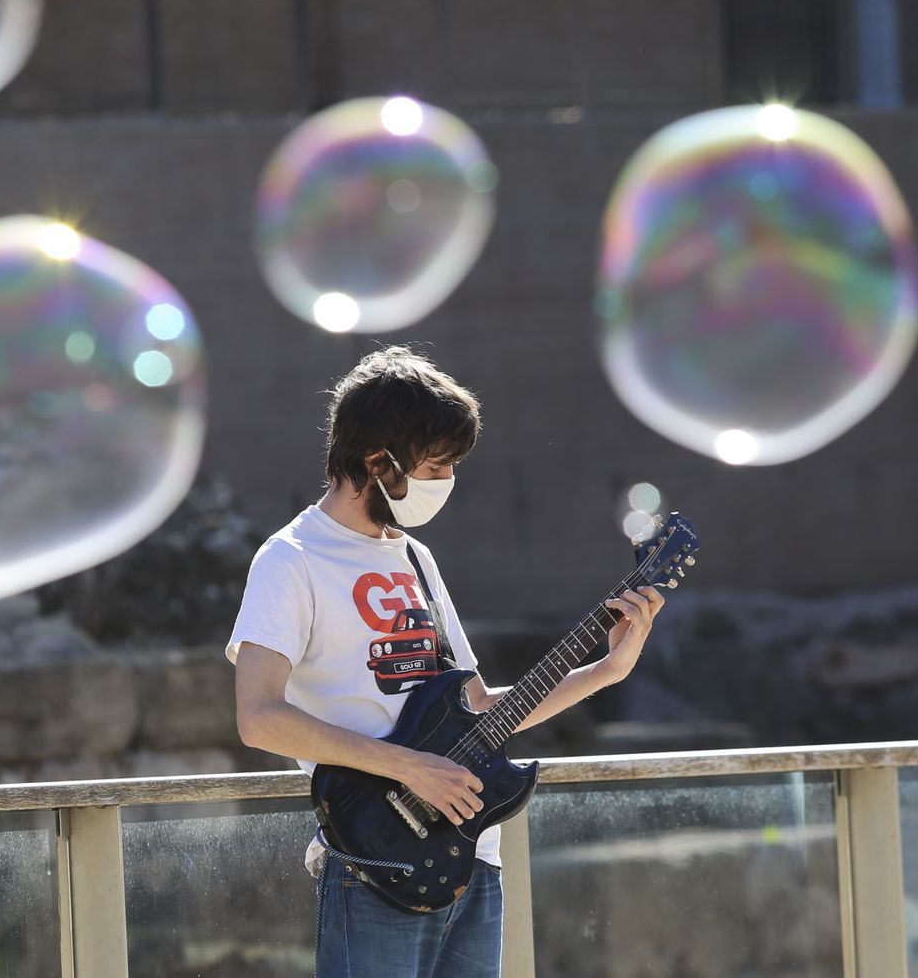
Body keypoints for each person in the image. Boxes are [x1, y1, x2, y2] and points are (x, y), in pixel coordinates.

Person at [226, 345, 665, 977]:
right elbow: (259, 717)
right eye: (436, 466)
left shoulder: (416, 560)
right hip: (375, 861)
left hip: (470, 857)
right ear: (378, 462)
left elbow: (479, 708)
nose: (447, 482)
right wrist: (413, 769)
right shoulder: (289, 560)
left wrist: (604, 672)